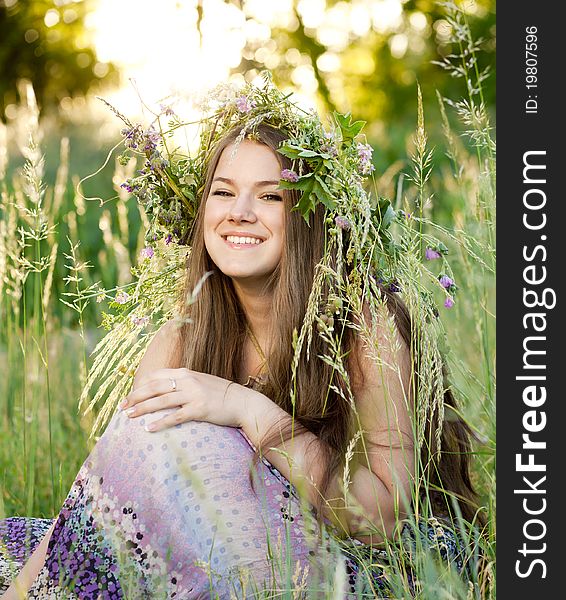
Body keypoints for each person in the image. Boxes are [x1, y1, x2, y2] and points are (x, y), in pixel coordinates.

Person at [0, 77, 484, 598]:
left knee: (181, 437)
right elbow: (118, 483)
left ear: (307, 215)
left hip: (364, 571)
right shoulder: (185, 333)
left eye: (270, 196)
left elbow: (381, 520)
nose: (239, 213)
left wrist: (244, 408)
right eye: (223, 192)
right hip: (228, 555)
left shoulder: (364, 325)